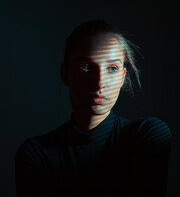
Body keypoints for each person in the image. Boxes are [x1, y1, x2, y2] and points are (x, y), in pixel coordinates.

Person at [15, 20, 172, 197]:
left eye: (112, 68)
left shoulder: (147, 136)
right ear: (65, 73)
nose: (100, 82)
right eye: (87, 67)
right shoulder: (36, 155)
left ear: (122, 77)